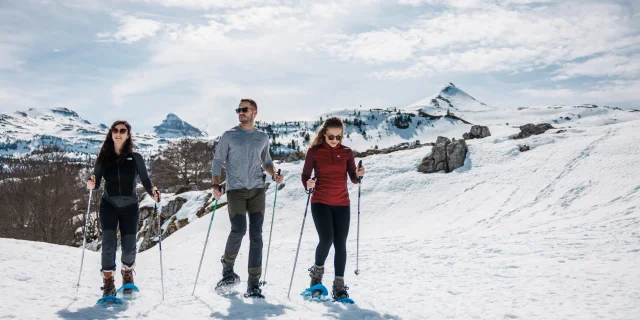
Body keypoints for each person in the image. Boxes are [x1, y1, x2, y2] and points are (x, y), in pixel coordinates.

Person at [212, 98, 284, 298]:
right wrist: (216, 184)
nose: (240, 112)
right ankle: (228, 268)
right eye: (238, 110)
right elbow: (217, 161)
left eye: (244, 109)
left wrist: (273, 173)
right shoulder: (229, 135)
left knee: (256, 236)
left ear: (255, 112)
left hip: (257, 191)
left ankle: (253, 283)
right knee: (239, 230)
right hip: (235, 190)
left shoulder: (262, 137)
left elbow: (267, 161)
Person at [87, 120, 160, 299]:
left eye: (122, 130)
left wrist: (153, 192)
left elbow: (145, 180)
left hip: (130, 206)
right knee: (109, 244)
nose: (118, 133)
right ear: (111, 134)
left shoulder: (135, 158)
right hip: (109, 205)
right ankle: (108, 282)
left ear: (128, 134)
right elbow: (95, 185)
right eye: (115, 130)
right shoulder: (103, 158)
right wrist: (91, 184)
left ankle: (127, 274)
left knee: (129, 247)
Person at [301, 116, 365, 300]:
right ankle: (316, 278)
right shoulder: (314, 151)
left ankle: (339, 287)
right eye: (331, 137)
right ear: (324, 134)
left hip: (342, 204)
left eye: (339, 137)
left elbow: (353, 178)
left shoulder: (347, 153)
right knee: (326, 239)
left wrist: (359, 175)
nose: (335, 141)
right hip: (320, 201)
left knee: (340, 244)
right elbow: (305, 175)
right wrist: (308, 183)